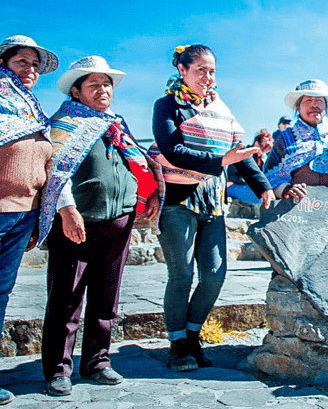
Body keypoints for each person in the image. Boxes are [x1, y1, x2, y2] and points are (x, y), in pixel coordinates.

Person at [38, 56, 163, 397]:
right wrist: (67, 211)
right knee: (66, 297)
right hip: (77, 221)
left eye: (106, 84)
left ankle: (97, 362)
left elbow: (138, 161)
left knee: (107, 297)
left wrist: (150, 192)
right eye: (93, 84)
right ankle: (58, 369)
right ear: (76, 91)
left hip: (118, 220)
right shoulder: (63, 124)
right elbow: (55, 169)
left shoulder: (115, 124)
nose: (103, 89)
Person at [151, 44, 275, 372]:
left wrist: (262, 185)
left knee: (215, 274)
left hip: (212, 202)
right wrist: (220, 161)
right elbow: (172, 150)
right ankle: (178, 344)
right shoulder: (167, 106)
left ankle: (192, 335)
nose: (207, 76)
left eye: (212, 71)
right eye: (200, 70)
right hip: (178, 202)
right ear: (182, 70)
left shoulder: (220, 109)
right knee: (181, 275)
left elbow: (239, 153)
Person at [0, 35, 58, 405]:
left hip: (23, 213)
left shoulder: (32, 109)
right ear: (5, 63)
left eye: (35, 65)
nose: (31, 69)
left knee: (1, 293)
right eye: (23, 61)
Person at [264, 79, 328, 200]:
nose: (314, 105)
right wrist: (286, 189)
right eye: (308, 101)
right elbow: (269, 174)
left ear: (325, 106)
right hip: (294, 207)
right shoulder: (286, 138)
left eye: (319, 101)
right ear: (297, 107)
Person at [226, 129, 274, 205]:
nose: (263, 151)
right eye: (262, 146)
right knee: (261, 197)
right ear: (256, 143)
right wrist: (244, 181)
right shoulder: (244, 153)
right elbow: (230, 174)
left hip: (247, 188)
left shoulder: (263, 159)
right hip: (235, 186)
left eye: (266, 149)